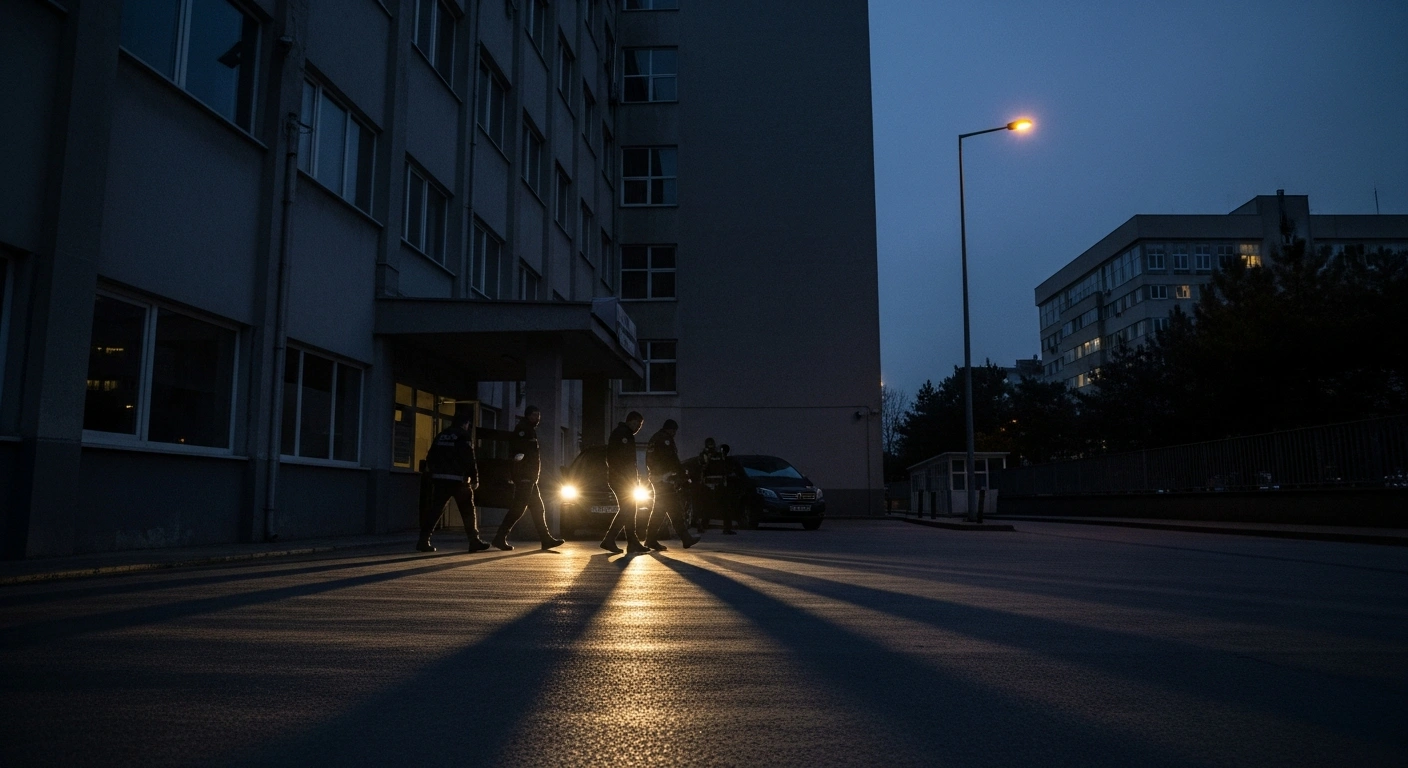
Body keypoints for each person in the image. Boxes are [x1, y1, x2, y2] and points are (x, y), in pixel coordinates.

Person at [418, 406, 491, 553]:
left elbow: (431, 455)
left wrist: (432, 472)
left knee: (435, 510)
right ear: (465, 424)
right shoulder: (463, 436)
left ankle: (423, 540)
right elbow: (470, 459)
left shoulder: (441, 435)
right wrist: (475, 478)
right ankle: (473, 541)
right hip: (458, 480)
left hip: (440, 479)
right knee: (468, 511)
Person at [492, 406, 565, 551]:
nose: (537, 418)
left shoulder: (530, 430)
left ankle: (546, 539)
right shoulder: (523, 430)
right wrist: (520, 475)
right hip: (525, 477)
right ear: (527, 416)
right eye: (534, 415)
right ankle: (500, 537)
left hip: (530, 478)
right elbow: (518, 455)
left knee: (538, 508)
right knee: (518, 508)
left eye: (539, 415)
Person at [644, 419, 700, 550]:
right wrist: (682, 474)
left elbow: (651, 460)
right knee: (674, 509)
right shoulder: (665, 440)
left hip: (657, 479)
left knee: (659, 510)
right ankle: (686, 538)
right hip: (665, 479)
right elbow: (671, 459)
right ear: (671, 429)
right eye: (674, 431)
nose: (674, 434)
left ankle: (650, 539)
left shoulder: (655, 438)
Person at [600, 411, 650, 554]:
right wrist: (627, 479)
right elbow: (619, 460)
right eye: (636, 424)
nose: (638, 427)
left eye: (640, 425)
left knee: (630, 509)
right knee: (627, 510)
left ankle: (632, 542)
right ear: (630, 421)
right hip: (622, 480)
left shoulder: (625, 434)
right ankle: (610, 539)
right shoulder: (623, 434)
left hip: (624, 479)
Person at [698, 437, 736, 535]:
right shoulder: (704, 455)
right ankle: (703, 526)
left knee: (725, 507)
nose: (711, 446)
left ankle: (727, 528)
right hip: (708, 485)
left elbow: (725, 467)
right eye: (709, 444)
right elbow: (702, 467)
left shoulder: (719, 454)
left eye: (712, 444)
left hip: (719, 485)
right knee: (707, 507)